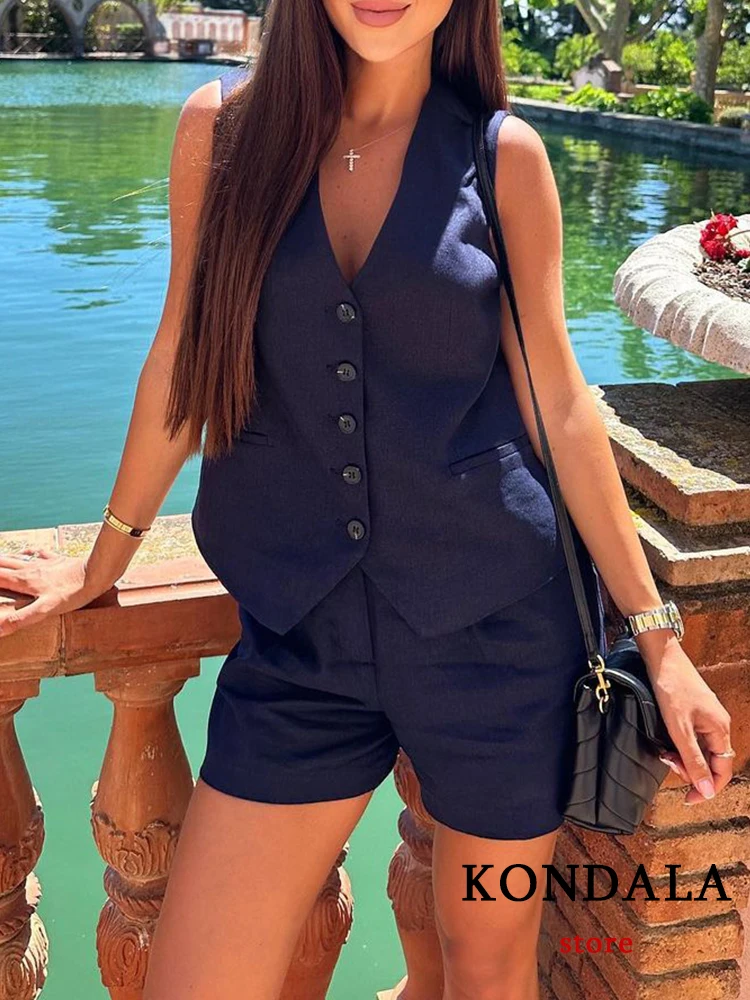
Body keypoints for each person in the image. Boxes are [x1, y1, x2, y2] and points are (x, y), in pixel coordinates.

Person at [0, 0, 734, 997]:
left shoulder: (502, 156)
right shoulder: (221, 132)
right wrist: (104, 561)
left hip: (499, 644)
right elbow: (180, 358)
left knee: (487, 971)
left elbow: (561, 406)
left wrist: (658, 640)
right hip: (299, 648)